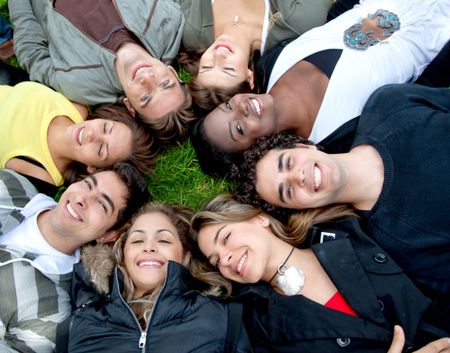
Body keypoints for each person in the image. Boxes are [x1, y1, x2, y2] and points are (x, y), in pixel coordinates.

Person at [231, 83, 450, 297]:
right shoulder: (397, 248)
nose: (298, 176)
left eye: (288, 163)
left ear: (303, 146)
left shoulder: (388, 105)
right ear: (301, 208)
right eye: (287, 192)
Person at [193, 0, 450, 171]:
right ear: (252, 154)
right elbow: (423, 93)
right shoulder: (338, 139)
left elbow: (335, 20)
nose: (241, 107)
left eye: (227, 106)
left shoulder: (270, 64)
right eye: (238, 128)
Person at [191, 194, 450, 353]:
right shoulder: (261, 330)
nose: (225, 259)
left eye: (225, 238)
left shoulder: (349, 230)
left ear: (259, 218)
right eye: (216, 262)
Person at [0, 163, 150, 352]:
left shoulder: (50, 311)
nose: (82, 198)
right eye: (88, 184)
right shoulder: (10, 185)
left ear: (108, 235)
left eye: (102, 204)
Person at [66, 202, 252, 353]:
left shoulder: (223, 317)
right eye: (138, 241)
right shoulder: (83, 321)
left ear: (184, 256)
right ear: (123, 255)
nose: (149, 247)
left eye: (164, 240)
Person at [8, 0, 195, 142]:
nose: (147, 79)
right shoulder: (170, 22)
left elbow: (30, 51)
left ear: (130, 106)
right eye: (165, 84)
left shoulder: (79, 84)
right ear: (173, 72)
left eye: (145, 98)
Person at [0, 81, 156, 196]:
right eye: (105, 127)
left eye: (101, 149)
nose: (91, 135)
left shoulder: (41, 175)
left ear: (93, 168)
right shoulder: (76, 106)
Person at [178, 0, 333, 112]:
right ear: (249, 77)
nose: (219, 55)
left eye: (207, 67)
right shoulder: (299, 23)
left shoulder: (194, 32)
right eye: (228, 69)